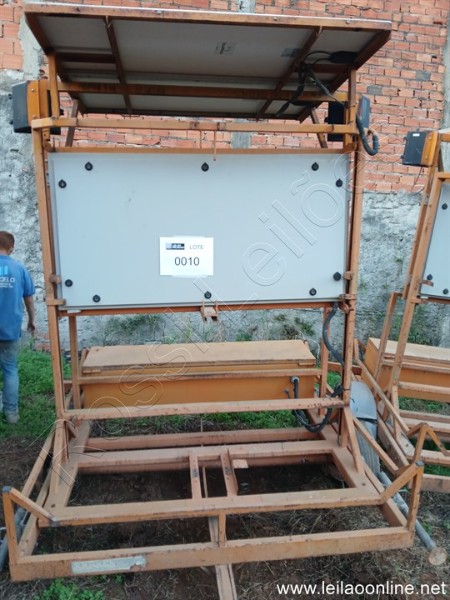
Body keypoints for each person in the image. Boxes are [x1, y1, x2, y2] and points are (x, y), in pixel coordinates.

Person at [0, 231, 35, 424]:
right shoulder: (19, 268)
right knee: (10, 369)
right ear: (11, 248)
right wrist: (31, 319)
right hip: (10, 328)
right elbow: (28, 299)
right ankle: (11, 414)